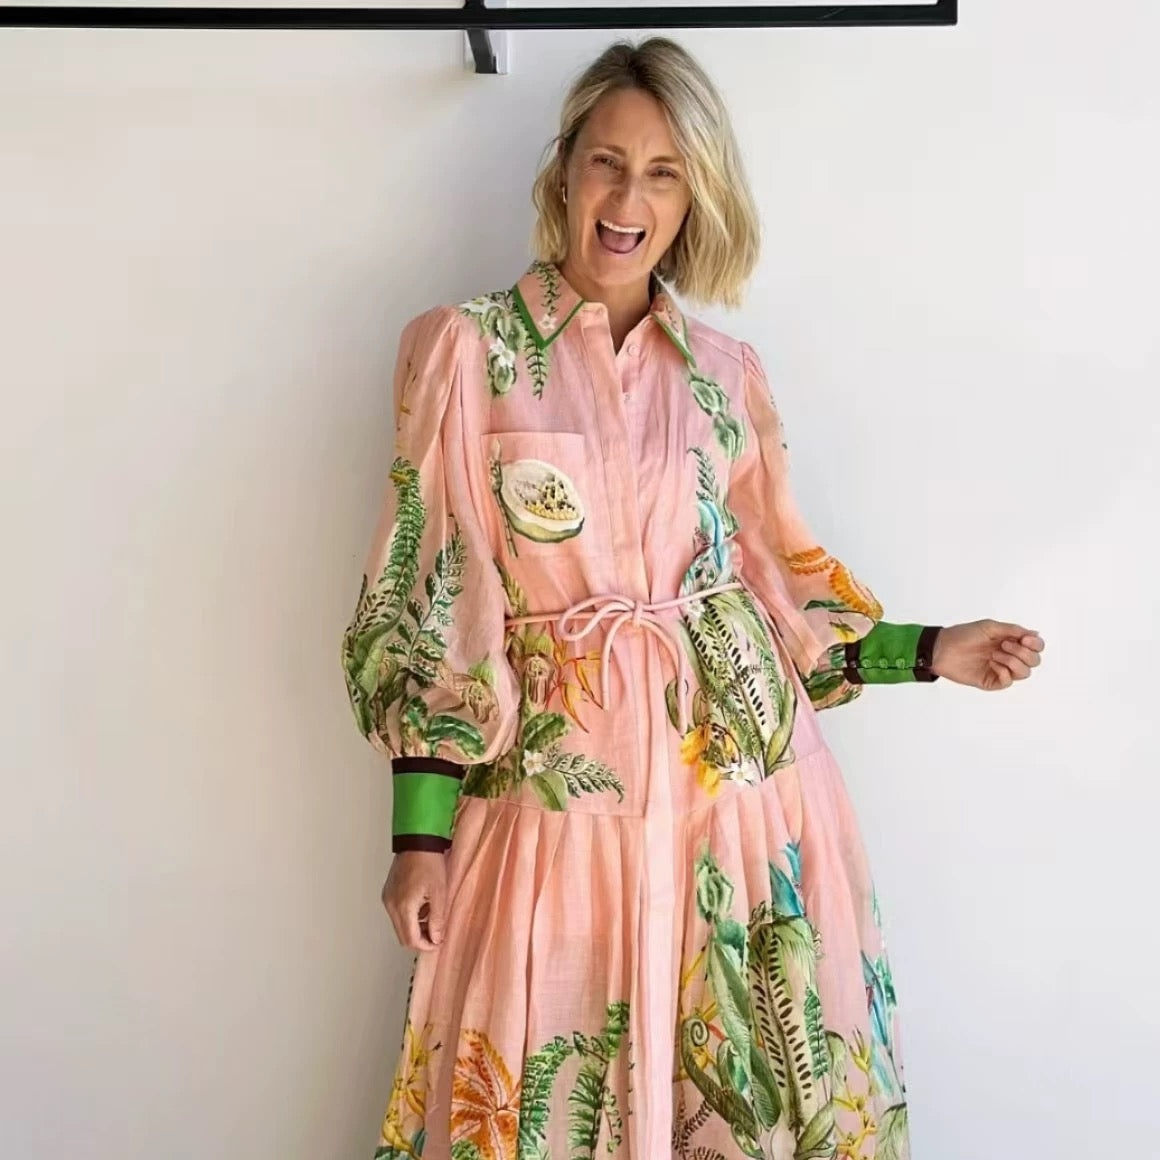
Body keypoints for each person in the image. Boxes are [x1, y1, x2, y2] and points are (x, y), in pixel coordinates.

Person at [340, 37, 1044, 1160]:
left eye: (662, 173)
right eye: (607, 162)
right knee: (546, 1093)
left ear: (694, 196)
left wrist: (929, 649)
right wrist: (418, 836)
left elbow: (777, 583)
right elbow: (430, 593)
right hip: (558, 813)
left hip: (741, 803)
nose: (628, 200)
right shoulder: (466, 352)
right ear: (563, 170)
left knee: (743, 1087)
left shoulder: (725, 374)